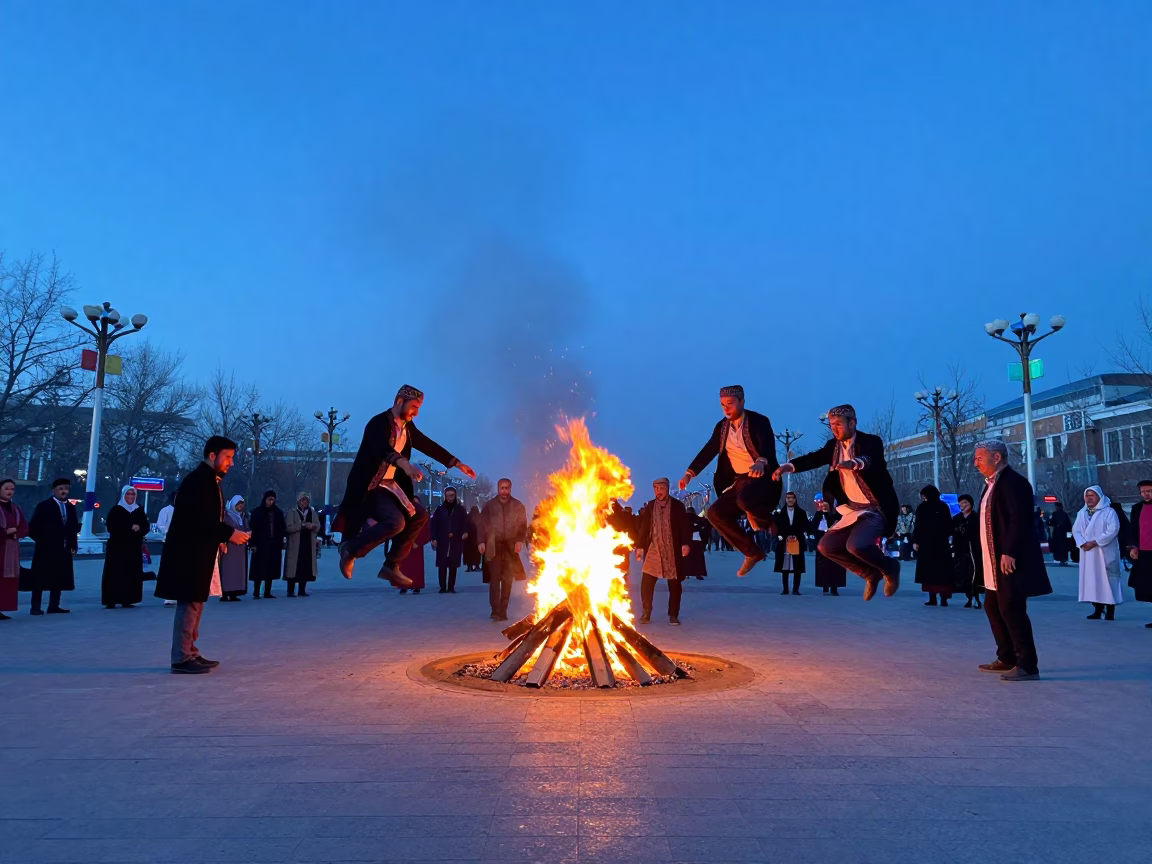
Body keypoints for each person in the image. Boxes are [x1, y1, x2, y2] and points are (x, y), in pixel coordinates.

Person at [335, 385, 475, 587]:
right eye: (414, 407)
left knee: (420, 514)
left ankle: (391, 566)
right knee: (396, 522)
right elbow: (382, 449)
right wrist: (404, 464)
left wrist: (456, 463)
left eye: (419, 408)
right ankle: (350, 550)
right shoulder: (377, 424)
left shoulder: (408, 428)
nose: (416, 413)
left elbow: (427, 444)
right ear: (399, 402)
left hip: (391, 486)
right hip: (370, 487)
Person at [774, 404, 900, 601]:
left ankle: (890, 568)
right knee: (826, 546)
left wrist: (854, 463)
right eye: (832, 425)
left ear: (852, 423)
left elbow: (871, 458)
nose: (834, 428)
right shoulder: (833, 447)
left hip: (875, 509)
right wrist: (788, 467)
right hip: (851, 511)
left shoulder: (871, 441)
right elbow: (813, 459)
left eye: (839, 424)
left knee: (855, 546)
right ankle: (869, 574)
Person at [155, 436, 251, 674]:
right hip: (188, 553)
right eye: (227, 457)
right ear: (212, 455)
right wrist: (229, 534)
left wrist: (219, 539)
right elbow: (202, 518)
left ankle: (190, 651)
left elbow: (207, 519)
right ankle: (181, 657)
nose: (231, 463)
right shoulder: (199, 481)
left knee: (196, 602)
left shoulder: (208, 480)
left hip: (197, 551)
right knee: (189, 603)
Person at [680, 385, 781, 577]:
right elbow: (709, 449)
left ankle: (766, 520)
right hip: (738, 481)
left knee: (745, 498)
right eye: (722, 405)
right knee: (714, 513)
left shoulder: (759, 422)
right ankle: (752, 552)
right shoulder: (722, 427)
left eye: (730, 404)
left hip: (762, 478)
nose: (726, 409)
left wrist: (761, 461)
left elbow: (767, 445)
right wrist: (690, 473)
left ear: (742, 402)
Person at [972, 440, 1051, 682]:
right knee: (993, 607)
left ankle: (1027, 664)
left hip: (1008, 560)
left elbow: (1020, 520)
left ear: (996, 457)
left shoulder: (1015, 483)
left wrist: (1010, 551)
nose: (975, 463)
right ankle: (1006, 657)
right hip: (991, 561)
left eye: (979, 458)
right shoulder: (990, 485)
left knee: (1012, 609)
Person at [634, 478, 691, 625]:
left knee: (674, 583)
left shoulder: (677, 506)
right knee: (647, 581)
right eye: (656, 489)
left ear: (667, 488)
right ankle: (646, 612)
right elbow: (644, 528)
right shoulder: (650, 506)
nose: (658, 492)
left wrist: (685, 543)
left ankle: (673, 614)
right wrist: (640, 546)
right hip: (654, 549)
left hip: (672, 550)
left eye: (661, 488)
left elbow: (685, 526)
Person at [26, 478, 80, 615]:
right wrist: (43, 541)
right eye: (61, 488)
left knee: (59, 576)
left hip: (63, 548)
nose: (64, 491)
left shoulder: (70, 507)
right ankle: (35, 606)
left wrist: (73, 544)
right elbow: (33, 528)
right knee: (39, 577)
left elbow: (73, 527)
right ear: (54, 490)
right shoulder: (44, 506)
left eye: (66, 489)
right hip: (46, 549)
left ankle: (54, 605)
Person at [478, 478, 528, 621]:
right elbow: (481, 525)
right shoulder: (489, 506)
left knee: (507, 580)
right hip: (494, 546)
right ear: (498, 488)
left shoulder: (517, 506)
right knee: (494, 580)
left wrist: (519, 540)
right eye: (502, 488)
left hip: (510, 548)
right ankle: (495, 610)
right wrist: (481, 541)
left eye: (507, 488)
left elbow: (523, 526)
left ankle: (503, 610)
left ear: (510, 489)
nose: (504, 491)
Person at [1074, 485, 1123, 621]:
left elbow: (1113, 530)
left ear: (1099, 497)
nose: (1089, 498)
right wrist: (1082, 543)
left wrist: (1095, 542)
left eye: (1092, 495)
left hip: (1104, 552)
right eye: (1087, 495)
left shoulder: (1109, 512)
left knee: (1107, 580)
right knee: (1094, 580)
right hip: (1088, 553)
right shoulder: (1082, 513)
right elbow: (1076, 530)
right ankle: (1097, 609)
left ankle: (1110, 611)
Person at [101, 485, 150, 609]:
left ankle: (128, 600)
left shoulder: (138, 510)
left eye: (132, 494)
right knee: (115, 573)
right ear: (123, 495)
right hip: (117, 547)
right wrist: (129, 528)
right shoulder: (116, 510)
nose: (130, 497)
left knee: (131, 573)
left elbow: (145, 526)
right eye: (128, 494)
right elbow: (112, 526)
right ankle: (111, 600)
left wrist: (139, 528)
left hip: (133, 547)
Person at [914, 485, 955, 607]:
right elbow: (918, 525)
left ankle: (937, 598)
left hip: (932, 545)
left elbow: (918, 526)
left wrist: (916, 541)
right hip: (937, 544)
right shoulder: (937, 507)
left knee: (934, 572)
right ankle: (939, 598)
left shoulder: (929, 507)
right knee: (937, 572)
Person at [430, 486, 468, 593]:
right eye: (448, 496)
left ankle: (451, 587)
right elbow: (433, 525)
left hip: (455, 541)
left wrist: (465, 532)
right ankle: (442, 587)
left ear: (455, 496)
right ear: (445, 496)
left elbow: (465, 522)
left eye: (452, 495)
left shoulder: (460, 509)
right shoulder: (440, 510)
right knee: (442, 565)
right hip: (442, 540)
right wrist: (433, 538)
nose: (450, 498)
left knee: (453, 565)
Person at [0, 479, 29, 620]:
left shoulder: (15, 508)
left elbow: (24, 526)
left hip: (10, 549)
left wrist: (16, 533)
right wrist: (5, 532)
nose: (9, 491)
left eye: (12, 489)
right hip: (1, 547)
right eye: (6, 488)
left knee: (6, 579)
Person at [249, 490, 285, 599]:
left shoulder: (278, 513)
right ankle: (256, 591)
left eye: (273, 500)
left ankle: (267, 592)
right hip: (260, 544)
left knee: (271, 568)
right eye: (269, 499)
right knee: (258, 568)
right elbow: (253, 529)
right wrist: (253, 544)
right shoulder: (257, 512)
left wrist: (280, 542)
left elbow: (281, 528)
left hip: (273, 545)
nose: (271, 502)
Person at [1126, 479, 1152, 628]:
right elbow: (1133, 531)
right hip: (1144, 553)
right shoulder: (1137, 508)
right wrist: (1132, 547)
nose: (1145, 494)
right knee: (1147, 586)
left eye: (1148, 491)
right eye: (1143, 492)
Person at [773, 491, 810, 595]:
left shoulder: (801, 513)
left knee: (797, 566)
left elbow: (805, 526)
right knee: (785, 566)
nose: (790, 500)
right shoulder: (780, 514)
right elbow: (777, 527)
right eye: (788, 498)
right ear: (785, 499)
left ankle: (795, 589)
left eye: (792, 498)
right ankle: (785, 589)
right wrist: (781, 535)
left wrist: (797, 535)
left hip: (797, 542)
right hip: (784, 542)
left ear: (795, 499)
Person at [284, 492, 320, 597]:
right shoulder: (292, 512)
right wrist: (301, 526)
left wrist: (313, 526)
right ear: (299, 501)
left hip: (308, 544)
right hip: (295, 544)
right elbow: (288, 527)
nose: (305, 502)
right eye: (303, 500)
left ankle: (302, 590)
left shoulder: (312, 512)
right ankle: (290, 590)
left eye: (307, 500)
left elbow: (318, 526)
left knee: (306, 566)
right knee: (293, 567)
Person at [952, 494, 983, 609]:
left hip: (973, 549)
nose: (963, 506)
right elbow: (953, 534)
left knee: (973, 573)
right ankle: (969, 597)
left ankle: (976, 597)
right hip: (960, 549)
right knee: (963, 574)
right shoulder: (957, 518)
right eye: (960, 503)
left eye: (965, 503)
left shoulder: (976, 518)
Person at [811, 498, 845, 595]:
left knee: (835, 566)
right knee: (823, 566)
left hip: (835, 545)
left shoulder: (837, 516)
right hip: (823, 543)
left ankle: (834, 588)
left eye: (827, 505)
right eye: (823, 505)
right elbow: (813, 527)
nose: (825, 507)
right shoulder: (818, 515)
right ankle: (825, 586)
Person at [398, 496, 431, 595]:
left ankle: (417, 585)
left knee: (416, 567)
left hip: (416, 546)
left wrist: (419, 542)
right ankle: (403, 585)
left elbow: (426, 532)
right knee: (404, 567)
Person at [218, 495, 248, 601]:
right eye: (238, 504)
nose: (240, 506)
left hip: (239, 548)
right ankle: (225, 593)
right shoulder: (226, 516)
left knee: (237, 570)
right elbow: (222, 529)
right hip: (229, 547)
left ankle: (235, 592)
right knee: (227, 570)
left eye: (241, 504)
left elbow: (246, 528)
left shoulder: (243, 516)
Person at [155, 492, 178, 606]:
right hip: (168, 543)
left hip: (182, 545)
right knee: (169, 570)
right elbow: (160, 525)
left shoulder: (186, 511)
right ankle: (169, 596)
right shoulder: (165, 511)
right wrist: (171, 532)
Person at [683, 508, 710, 580]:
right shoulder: (698, 519)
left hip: (686, 541)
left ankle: (685, 573)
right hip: (697, 540)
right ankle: (698, 574)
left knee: (686, 558)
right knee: (698, 559)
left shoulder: (683, 519)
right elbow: (706, 525)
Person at [1048, 502, 1073, 566]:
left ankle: (1060, 559)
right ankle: (1064, 560)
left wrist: (1051, 535)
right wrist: (1069, 536)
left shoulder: (1054, 514)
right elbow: (1069, 526)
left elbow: (1051, 524)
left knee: (1058, 548)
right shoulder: (1065, 515)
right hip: (1064, 535)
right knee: (1064, 548)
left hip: (1057, 535)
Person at [463, 505, 482, 572]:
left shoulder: (468, 516)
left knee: (469, 553)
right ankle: (476, 566)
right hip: (476, 538)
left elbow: (465, 526)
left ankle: (469, 566)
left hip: (469, 538)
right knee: (477, 553)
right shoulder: (479, 516)